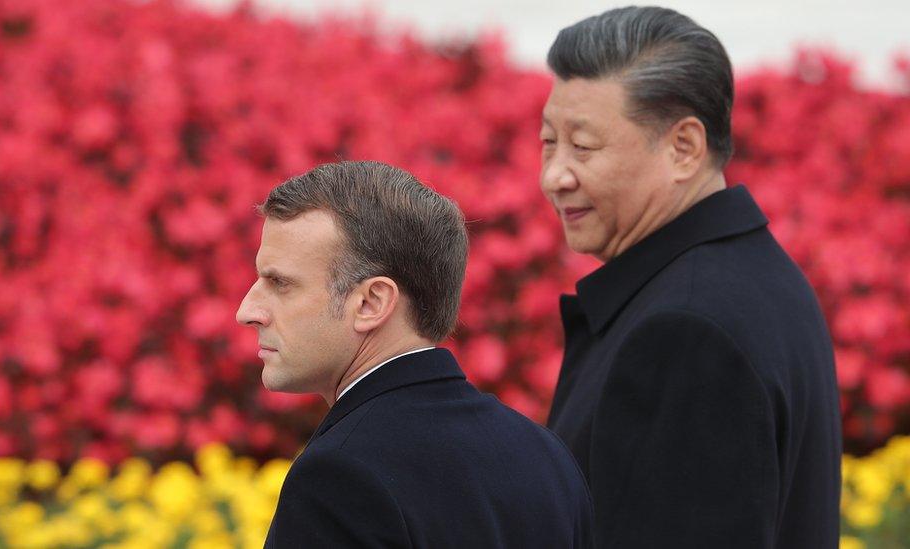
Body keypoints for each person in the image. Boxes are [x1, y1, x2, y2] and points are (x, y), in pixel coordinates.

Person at [539, 7, 841, 549]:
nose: (554, 175)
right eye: (547, 141)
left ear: (683, 148)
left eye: (582, 146)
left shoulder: (685, 332)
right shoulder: (757, 275)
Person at [237, 160, 593, 548]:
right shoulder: (544, 455)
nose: (248, 311)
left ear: (371, 302)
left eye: (280, 283)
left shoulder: (340, 474)